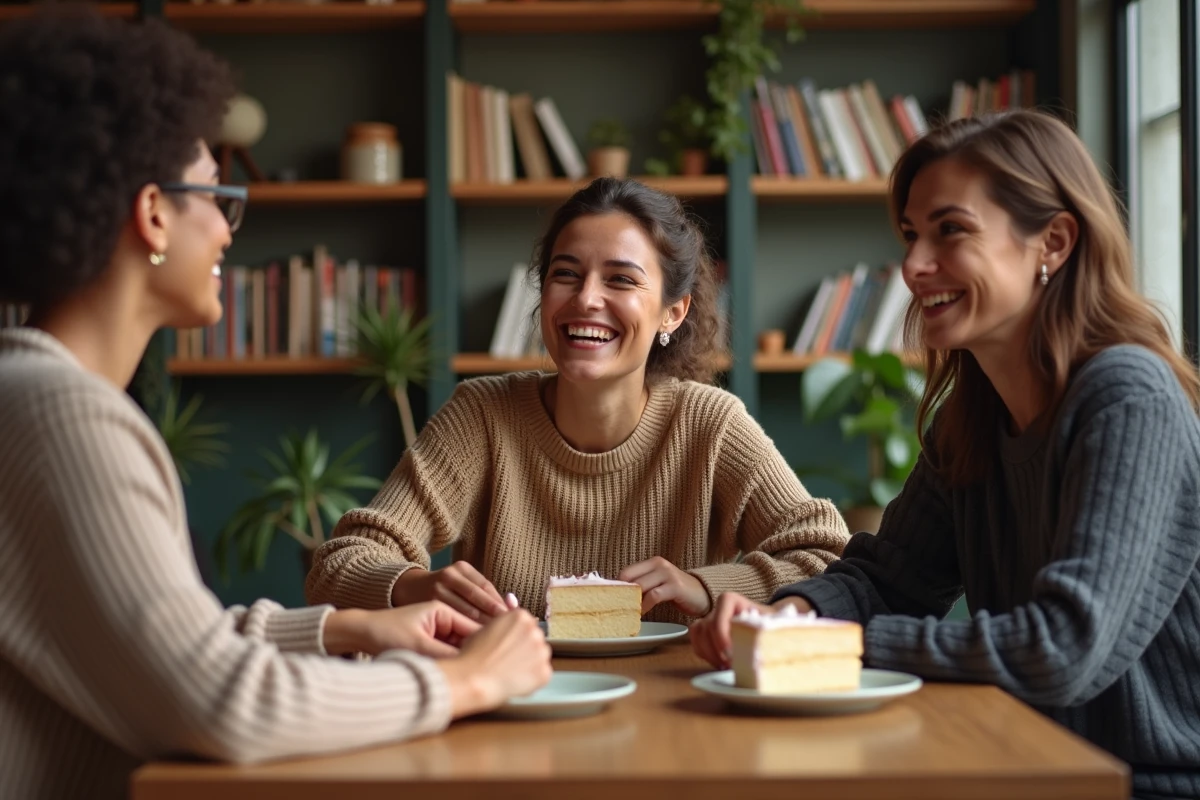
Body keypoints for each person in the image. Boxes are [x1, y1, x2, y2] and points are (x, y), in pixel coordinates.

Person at [0, 9, 550, 798]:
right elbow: (222, 703)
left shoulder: (34, 397)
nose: (228, 227)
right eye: (217, 193)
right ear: (154, 212)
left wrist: (341, 628)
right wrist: (467, 684)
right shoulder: (65, 418)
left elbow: (154, 645)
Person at [691, 110, 1200, 799]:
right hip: (1024, 762)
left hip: (1145, 784)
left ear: (1052, 240)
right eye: (910, 235)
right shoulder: (972, 416)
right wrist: (795, 615)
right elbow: (888, 580)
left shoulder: (1126, 395)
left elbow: (1062, 651)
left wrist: (835, 645)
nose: (912, 266)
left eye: (950, 231)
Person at [306, 177, 850, 624]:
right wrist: (413, 585)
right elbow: (338, 565)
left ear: (672, 313)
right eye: (566, 274)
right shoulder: (482, 414)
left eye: (621, 280)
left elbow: (828, 558)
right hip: (510, 705)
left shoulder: (709, 424)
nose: (587, 298)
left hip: (674, 714)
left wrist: (703, 587)